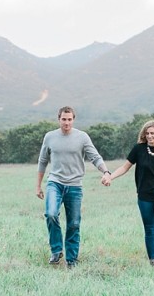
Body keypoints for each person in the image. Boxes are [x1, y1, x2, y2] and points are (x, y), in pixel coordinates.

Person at [36, 106, 111, 269]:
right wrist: (38, 186)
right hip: (54, 183)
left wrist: (105, 171)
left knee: (74, 224)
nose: (67, 122)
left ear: (73, 120)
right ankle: (56, 251)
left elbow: (95, 157)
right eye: (64, 119)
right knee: (50, 214)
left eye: (70, 119)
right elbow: (42, 161)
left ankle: (72, 260)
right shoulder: (50, 137)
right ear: (59, 119)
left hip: (75, 186)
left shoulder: (82, 137)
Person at [103, 120, 154, 266]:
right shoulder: (138, 149)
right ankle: (152, 261)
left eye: (152, 133)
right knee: (149, 227)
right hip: (144, 194)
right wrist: (110, 176)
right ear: (144, 135)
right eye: (147, 133)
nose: (149, 136)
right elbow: (125, 167)